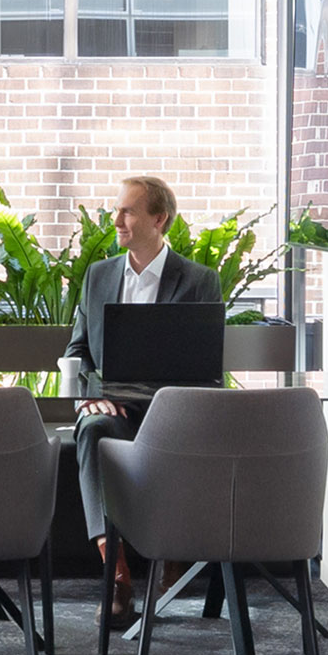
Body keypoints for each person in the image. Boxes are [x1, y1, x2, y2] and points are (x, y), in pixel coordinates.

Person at [66, 176, 221, 629]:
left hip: (173, 414)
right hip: (113, 409)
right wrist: (90, 396)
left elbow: (208, 369)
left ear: (159, 219)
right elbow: (78, 352)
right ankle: (116, 575)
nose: (117, 220)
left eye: (128, 211)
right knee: (91, 431)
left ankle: (171, 552)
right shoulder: (99, 276)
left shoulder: (198, 282)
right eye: (117, 210)